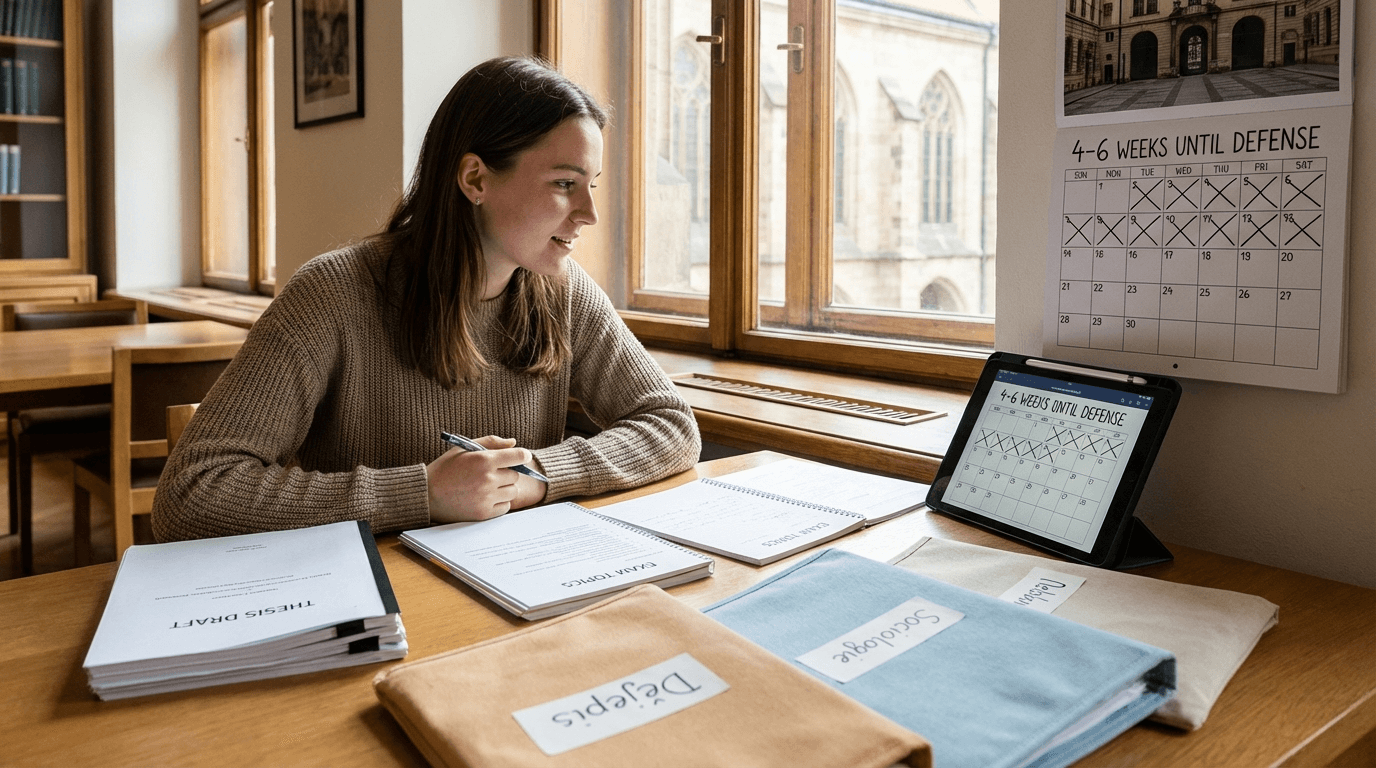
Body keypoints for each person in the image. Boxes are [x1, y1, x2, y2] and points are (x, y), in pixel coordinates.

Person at [152, 57, 701, 542]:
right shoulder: (331, 294)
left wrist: (533, 474)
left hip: (512, 587)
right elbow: (190, 494)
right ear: (474, 178)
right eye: (564, 183)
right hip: (370, 605)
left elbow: (672, 425)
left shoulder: (564, 290)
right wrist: (421, 495)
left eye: (593, 185)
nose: (589, 213)